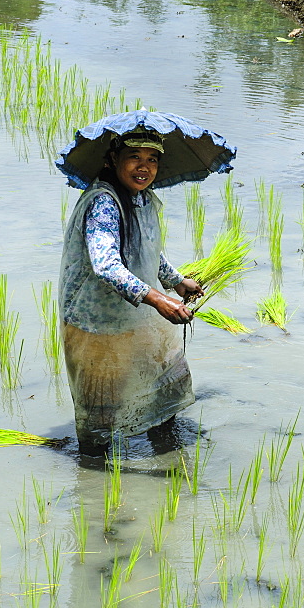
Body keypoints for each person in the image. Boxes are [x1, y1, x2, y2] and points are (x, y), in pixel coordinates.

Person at [59, 127, 203, 454]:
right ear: (113, 159)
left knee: (166, 387)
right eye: (134, 157)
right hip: (99, 323)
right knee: (101, 415)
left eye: (152, 159)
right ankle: (96, 485)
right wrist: (158, 299)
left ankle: (168, 456)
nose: (144, 167)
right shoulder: (104, 203)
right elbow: (106, 264)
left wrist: (177, 281)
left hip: (135, 314)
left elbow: (145, 249)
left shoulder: (141, 199)